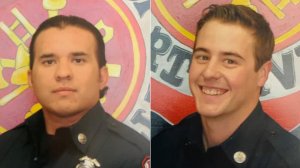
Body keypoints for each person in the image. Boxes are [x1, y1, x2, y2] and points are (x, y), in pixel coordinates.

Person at [152, 4, 300, 168]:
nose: (209, 72)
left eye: (230, 61)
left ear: (262, 74)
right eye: (202, 57)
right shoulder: (163, 148)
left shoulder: (289, 162)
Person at [0, 15, 149, 168]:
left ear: (102, 76)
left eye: (78, 60)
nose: (63, 73)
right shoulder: (4, 149)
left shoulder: (133, 157)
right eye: (49, 62)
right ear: (31, 79)